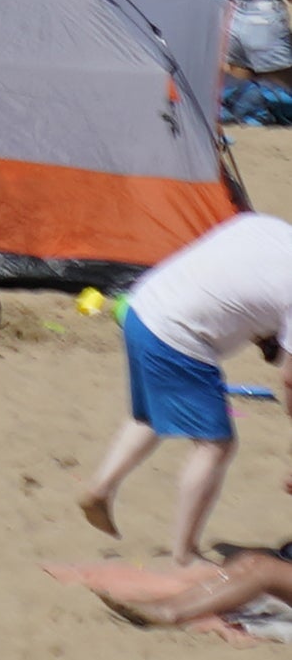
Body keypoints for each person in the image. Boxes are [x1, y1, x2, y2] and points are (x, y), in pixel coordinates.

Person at [84, 205, 292, 563]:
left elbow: (238, 275)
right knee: (216, 446)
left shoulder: (271, 229)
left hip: (142, 305)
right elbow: (289, 379)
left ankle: (99, 488)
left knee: (152, 415)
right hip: (178, 335)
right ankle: (186, 554)